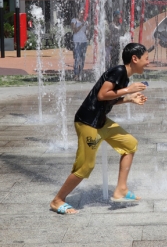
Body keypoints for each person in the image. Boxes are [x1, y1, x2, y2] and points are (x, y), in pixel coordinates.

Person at [50, 43, 150, 215]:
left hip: (101, 122)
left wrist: (129, 99)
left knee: (130, 144)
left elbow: (109, 99)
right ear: (135, 59)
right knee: (85, 166)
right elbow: (102, 95)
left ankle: (121, 189)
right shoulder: (118, 71)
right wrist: (129, 89)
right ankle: (58, 200)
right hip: (87, 122)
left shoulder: (124, 76)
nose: (148, 62)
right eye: (146, 59)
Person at [71, 10, 88, 81]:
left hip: (84, 41)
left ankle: (81, 73)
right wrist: (82, 25)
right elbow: (74, 30)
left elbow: (87, 32)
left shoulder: (85, 21)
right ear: (78, 13)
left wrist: (87, 27)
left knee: (82, 59)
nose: (82, 15)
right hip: (77, 42)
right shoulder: (74, 20)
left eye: (83, 14)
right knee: (77, 58)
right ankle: (76, 74)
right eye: (81, 13)